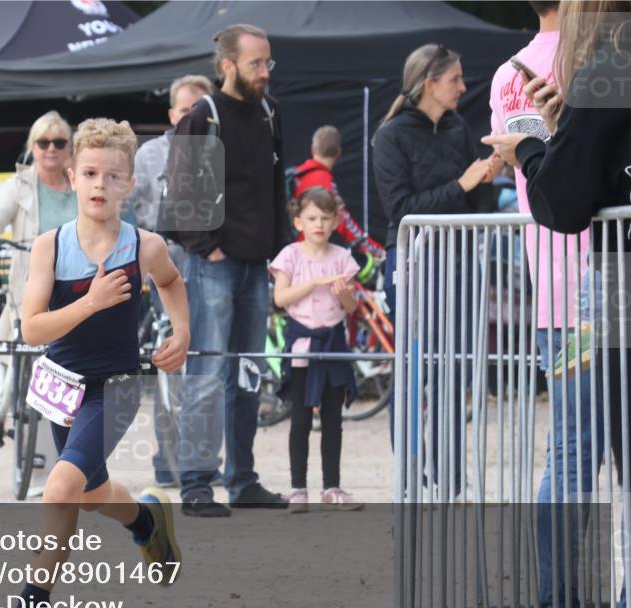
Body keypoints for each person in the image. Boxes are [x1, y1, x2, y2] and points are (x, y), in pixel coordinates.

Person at [0, 118, 189, 608]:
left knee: (59, 488)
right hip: (62, 386)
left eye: (113, 176)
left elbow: (171, 282)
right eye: (91, 173)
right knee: (89, 494)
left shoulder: (144, 246)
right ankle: (147, 521)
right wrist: (90, 302)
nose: (100, 184)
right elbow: (33, 329)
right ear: (72, 177)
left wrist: (182, 333)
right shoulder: (49, 247)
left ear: (129, 185)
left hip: (116, 386)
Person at [482, 1, 631, 608]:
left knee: (572, 455)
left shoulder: (588, 62)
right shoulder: (589, 62)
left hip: (580, 293)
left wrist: (540, 145)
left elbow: (566, 189)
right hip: (593, 289)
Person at [166, 24, 292, 517]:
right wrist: (208, 249)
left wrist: (278, 249)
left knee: (247, 374)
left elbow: (276, 185)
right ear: (228, 66)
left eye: (268, 62)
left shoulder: (268, 111)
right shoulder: (203, 115)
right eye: (256, 63)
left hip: (257, 263)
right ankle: (197, 483)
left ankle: (242, 479)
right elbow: (179, 192)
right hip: (214, 265)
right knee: (206, 372)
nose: (265, 71)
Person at [372, 43, 498, 497]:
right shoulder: (390, 136)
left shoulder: (458, 127)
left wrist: (488, 177)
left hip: (459, 260)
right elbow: (401, 209)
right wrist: (462, 183)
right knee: (414, 372)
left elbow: (476, 203)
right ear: (429, 83)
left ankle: (450, 476)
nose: (463, 87)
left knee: (454, 372)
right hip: (413, 264)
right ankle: (409, 476)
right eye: (455, 79)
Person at [126, 73, 213, 488]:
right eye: (184, 110)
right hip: (163, 270)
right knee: (169, 362)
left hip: (208, 268)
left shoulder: (219, 152)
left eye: (199, 110)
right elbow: (127, 203)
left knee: (207, 363)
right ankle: (168, 460)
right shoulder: (149, 154)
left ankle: (204, 460)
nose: (191, 117)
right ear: (171, 113)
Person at [271, 187, 364, 512]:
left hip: (333, 345)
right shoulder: (290, 256)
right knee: (300, 420)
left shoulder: (343, 258)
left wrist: (343, 294)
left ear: (336, 221)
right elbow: (280, 299)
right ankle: (298, 488)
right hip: (302, 347)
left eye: (325, 218)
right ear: (299, 222)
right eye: (312, 218)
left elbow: (351, 307)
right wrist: (311, 284)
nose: (319, 224)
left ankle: (331, 486)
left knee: (333, 419)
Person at [0, 111, 76, 343]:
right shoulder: (19, 184)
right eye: (44, 143)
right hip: (33, 285)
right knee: (25, 351)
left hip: (77, 283)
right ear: (33, 147)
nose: (51, 149)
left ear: (69, 148)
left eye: (59, 143)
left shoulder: (81, 181)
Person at [291, 126, 386, 262]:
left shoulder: (296, 176)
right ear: (338, 153)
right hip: (311, 256)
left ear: (313, 149)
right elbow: (345, 223)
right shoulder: (325, 182)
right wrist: (377, 251)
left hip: (293, 253)